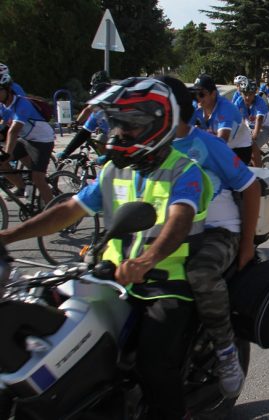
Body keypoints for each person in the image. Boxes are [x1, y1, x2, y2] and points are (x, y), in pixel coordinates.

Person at [0, 77, 212, 419]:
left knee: (153, 364)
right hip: (108, 276)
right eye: (116, 123)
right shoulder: (115, 170)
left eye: (129, 124)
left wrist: (146, 260)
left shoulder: (183, 170)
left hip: (164, 283)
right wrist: (8, 236)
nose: (118, 132)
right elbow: (69, 211)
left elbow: (180, 220)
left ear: (156, 125)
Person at [158, 75, 261, 400]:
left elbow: (250, 187)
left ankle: (225, 350)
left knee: (200, 273)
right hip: (171, 230)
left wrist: (246, 246)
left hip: (218, 231)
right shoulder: (147, 149)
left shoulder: (206, 144)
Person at [0, 74, 55, 204]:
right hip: (26, 140)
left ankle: (54, 214)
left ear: (7, 90)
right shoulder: (4, 105)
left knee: (38, 178)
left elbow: (13, 131)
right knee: (1, 164)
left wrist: (7, 154)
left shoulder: (22, 104)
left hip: (42, 141)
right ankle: (22, 187)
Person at [191, 74, 252, 165]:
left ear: (213, 94)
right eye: (195, 94)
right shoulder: (196, 104)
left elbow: (221, 142)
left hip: (239, 147)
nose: (198, 98)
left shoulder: (225, 108)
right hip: (219, 142)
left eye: (201, 94)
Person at [56, 78, 112, 162]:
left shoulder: (116, 113)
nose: (95, 105)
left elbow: (122, 139)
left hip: (128, 143)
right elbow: (83, 133)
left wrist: (110, 156)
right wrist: (66, 152)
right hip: (113, 140)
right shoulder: (96, 114)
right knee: (100, 140)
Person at [236, 78, 269, 166]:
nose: (247, 97)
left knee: (251, 147)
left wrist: (254, 136)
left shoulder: (259, 102)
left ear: (255, 94)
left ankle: (259, 174)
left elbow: (259, 119)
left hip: (266, 128)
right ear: (241, 93)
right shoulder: (239, 102)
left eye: (250, 94)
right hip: (250, 127)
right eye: (245, 94)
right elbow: (233, 117)